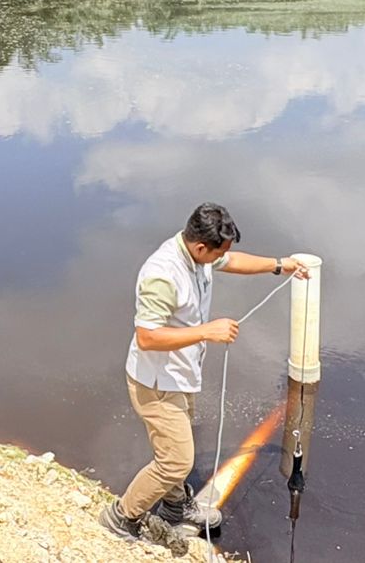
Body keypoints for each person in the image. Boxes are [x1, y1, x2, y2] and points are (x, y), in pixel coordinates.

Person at [99, 202, 311, 542]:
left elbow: (233, 261)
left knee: (178, 449)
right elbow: (147, 336)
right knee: (175, 462)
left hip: (179, 378)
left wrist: (280, 266)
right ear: (200, 246)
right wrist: (207, 332)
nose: (222, 258)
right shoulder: (162, 275)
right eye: (218, 253)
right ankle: (122, 517)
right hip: (155, 384)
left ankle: (174, 507)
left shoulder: (199, 254)